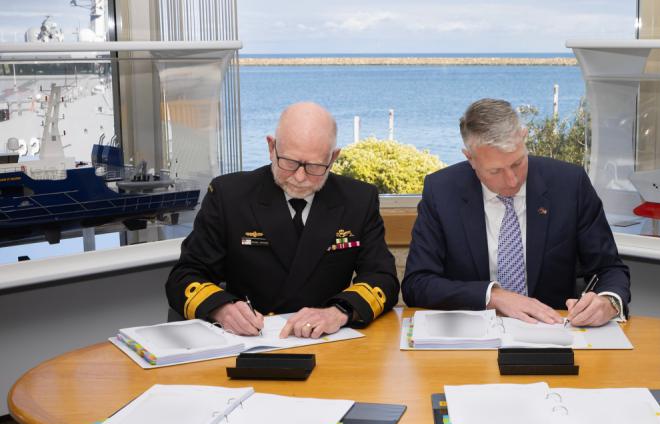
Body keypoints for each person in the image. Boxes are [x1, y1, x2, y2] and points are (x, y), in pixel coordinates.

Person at [166, 102, 399, 337]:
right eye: (289, 162)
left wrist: (339, 312)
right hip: (251, 339)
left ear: (333, 157)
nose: (300, 177)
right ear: (271, 147)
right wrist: (221, 309)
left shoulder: (358, 199)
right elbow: (184, 276)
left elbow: (382, 277)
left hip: (327, 339)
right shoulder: (229, 196)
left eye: (314, 166)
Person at [401, 98, 630, 327]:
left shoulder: (570, 184)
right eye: (495, 171)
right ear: (470, 158)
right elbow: (417, 284)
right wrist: (493, 296)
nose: (512, 181)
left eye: (517, 163)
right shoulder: (442, 192)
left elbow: (609, 268)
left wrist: (608, 301)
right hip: (474, 334)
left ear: (523, 137)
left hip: (554, 331)